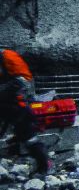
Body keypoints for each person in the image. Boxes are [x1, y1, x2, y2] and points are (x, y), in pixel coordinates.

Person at [1, 47, 51, 176]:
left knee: (28, 137)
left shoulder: (7, 56)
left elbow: (23, 80)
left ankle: (44, 167)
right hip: (6, 105)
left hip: (17, 106)